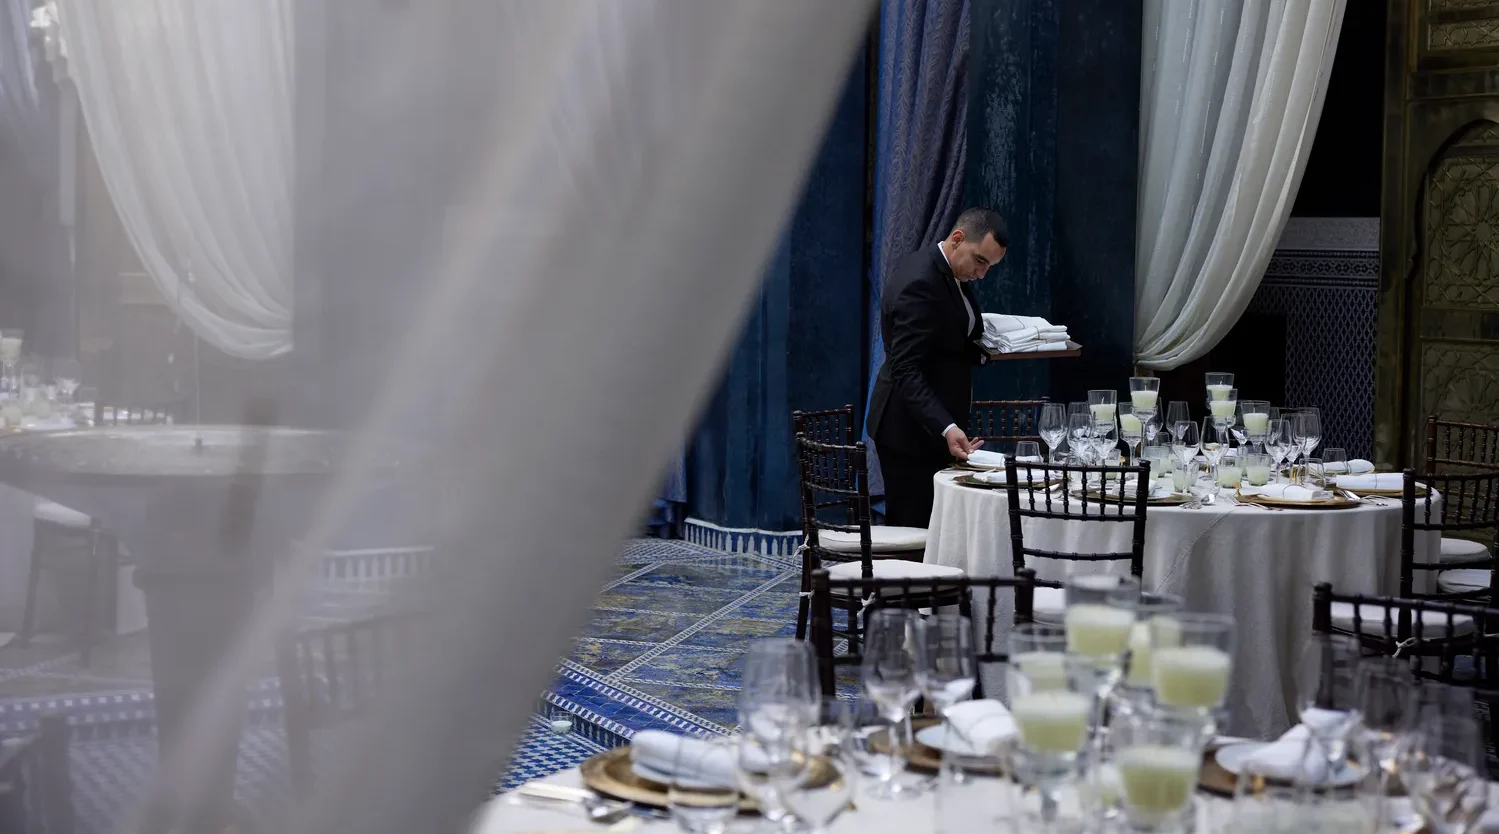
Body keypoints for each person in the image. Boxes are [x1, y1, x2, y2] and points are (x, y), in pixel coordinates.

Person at [867, 207, 1008, 527]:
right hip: (907, 432)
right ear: (957, 239)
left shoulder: (952, 271)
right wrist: (946, 426)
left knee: (939, 530)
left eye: (991, 266)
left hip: (932, 430)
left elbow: (947, 339)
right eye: (981, 261)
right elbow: (905, 369)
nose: (983, 273)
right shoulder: (920, 282)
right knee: (912, 532)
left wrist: (986, 353)